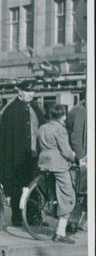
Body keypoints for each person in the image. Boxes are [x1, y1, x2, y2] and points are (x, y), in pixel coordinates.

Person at [0, 79, 42, 227]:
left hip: (34, 155)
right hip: (17, 156)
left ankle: (33, 217)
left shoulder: (36, 108)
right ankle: (17, 217)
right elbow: (5, 139)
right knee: (18, 186)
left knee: (34, 185)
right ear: (20, 91)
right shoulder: (11, 110)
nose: (30, 94)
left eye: (32, 91)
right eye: (27, 91)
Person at [38, 104, 78, 244]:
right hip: (58, 165)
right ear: (62, 116)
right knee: (68, 195)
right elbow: (66, 151)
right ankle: (60, 232)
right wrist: (75, 157)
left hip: (44, 163)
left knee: (53, 193)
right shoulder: (60, 129)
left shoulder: (42, 127)